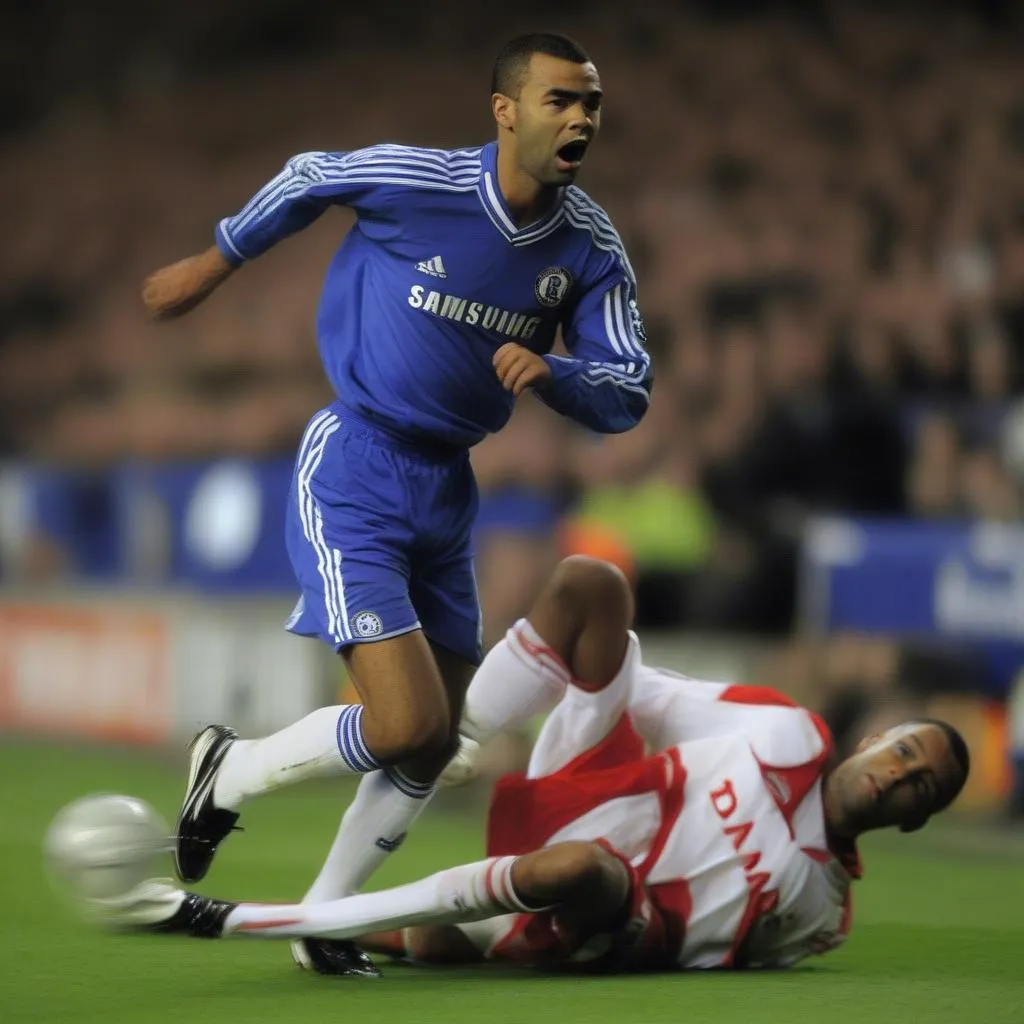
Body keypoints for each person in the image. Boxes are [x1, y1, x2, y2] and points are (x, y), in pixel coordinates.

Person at [139, 33, 651, 976]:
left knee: (426, 746)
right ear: (504, 110)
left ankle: (321, 922)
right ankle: (232, 769)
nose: (580, 118)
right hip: (357, 460)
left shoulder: (590, 247)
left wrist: (560, 374)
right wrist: (215, 259)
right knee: (408, 723)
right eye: (559, 100)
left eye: (591, 104)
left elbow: (628, 388)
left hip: (450, 486)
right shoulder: (419, 180)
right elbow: (307, 177)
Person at [114, 557, 969, 972]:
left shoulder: (824, 914)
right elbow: (655, 696)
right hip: (599, 789)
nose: (899, 773)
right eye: (904, 750)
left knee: (474, 931)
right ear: (872, 742)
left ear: (917, 817)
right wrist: (579, 694)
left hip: (617, 908)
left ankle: (291, 925)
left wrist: (631, 942)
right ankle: (459, 733)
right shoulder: (788, 733)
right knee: (592, 587)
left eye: (918, 782)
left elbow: (711, 960)